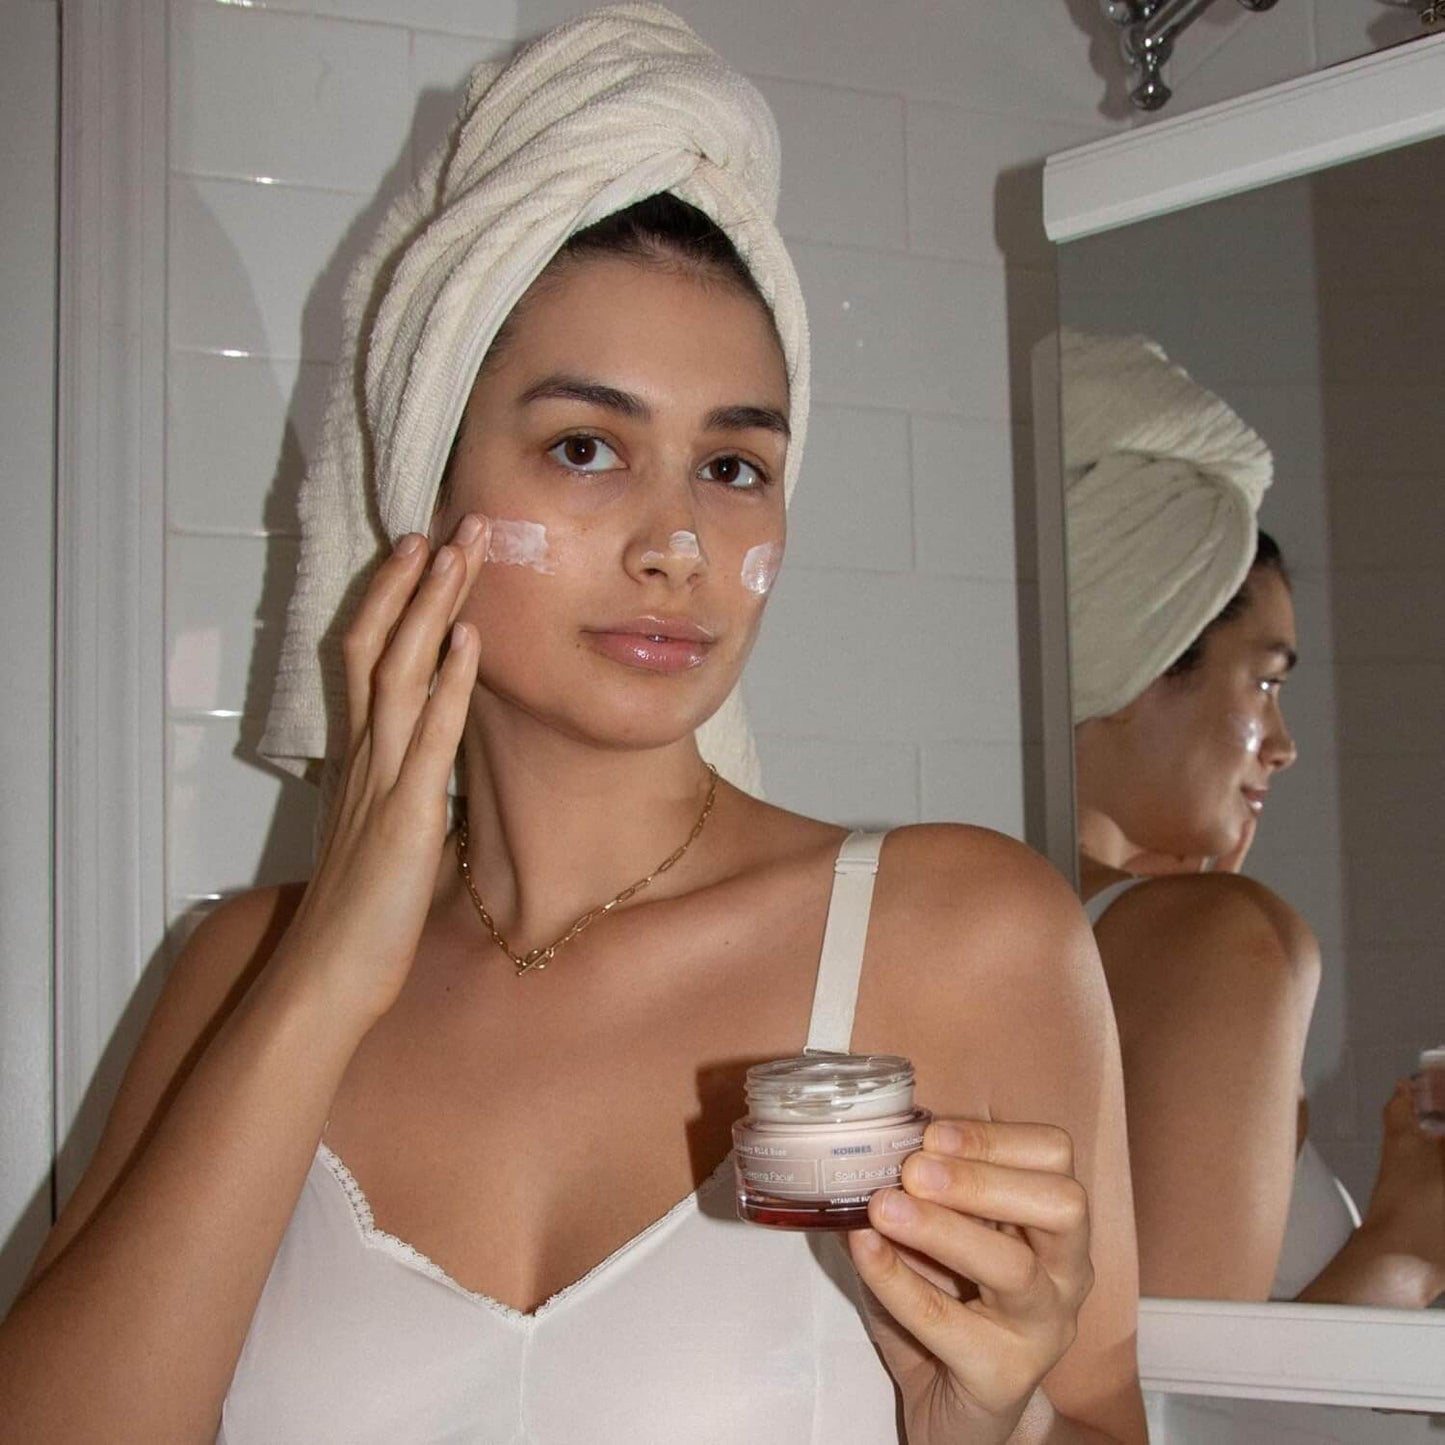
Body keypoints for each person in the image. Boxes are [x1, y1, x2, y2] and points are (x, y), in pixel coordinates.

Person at [0, 11, 1145, 1442]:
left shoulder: (962, 932)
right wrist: (329, 973)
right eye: (585, 447)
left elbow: (1099, 1415)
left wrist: (988, 1425)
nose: (676, 539)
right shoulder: (236, 972)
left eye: (733, 464)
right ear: (430, 487)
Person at [1064, 328, 1445, 1308]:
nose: (1280, 744)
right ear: (1135, 661)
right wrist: (1409, 1234)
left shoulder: (992, 915)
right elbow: (1190, 1404)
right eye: (1263, 682)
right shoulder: (1218, 939)